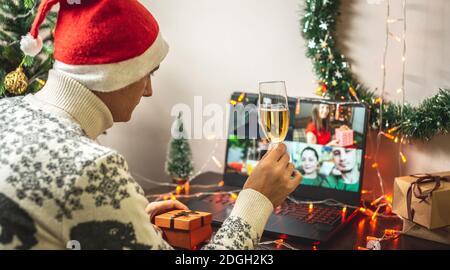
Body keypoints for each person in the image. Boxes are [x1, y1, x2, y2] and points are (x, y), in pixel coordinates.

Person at [0, 0, 302, 250]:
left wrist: (127, 219)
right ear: (114, 74)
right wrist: (255, 200)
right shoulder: (90, 169)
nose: (148, 90)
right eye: (149, 74)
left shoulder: (5, 111)